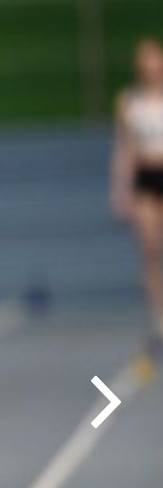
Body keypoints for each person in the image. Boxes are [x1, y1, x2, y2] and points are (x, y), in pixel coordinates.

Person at [109, 36, 163, 350]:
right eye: (146, 60)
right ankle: (157, 316)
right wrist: (120, 189)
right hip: (146, 178)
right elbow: (124, 148)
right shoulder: (129, 102)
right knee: (150, 249)